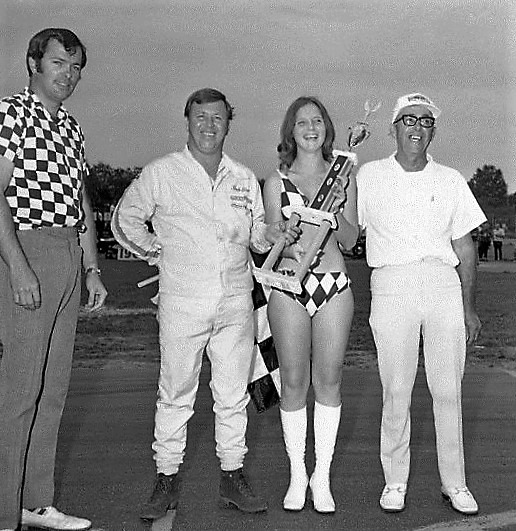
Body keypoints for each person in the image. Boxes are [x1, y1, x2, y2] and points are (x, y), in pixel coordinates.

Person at [111, 88, 296, 519]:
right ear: (187, 120)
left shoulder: (244, 177)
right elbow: (125, 219)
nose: (209, 125)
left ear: (228, 122)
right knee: (175, 393)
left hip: (235, 302)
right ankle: (166, 478)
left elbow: (255, 236)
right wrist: (159, 252)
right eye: (200, 117)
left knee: (232, 396)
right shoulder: (162, 172)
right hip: (182, 302)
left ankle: (233, 476)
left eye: (217, 118)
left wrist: (274, 234)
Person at [356, 93, 486, 515]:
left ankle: (456, 482)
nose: (417, 127)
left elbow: (465, 247)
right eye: (408, 119)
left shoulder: (450, 180)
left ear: (433, 131)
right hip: (391, 283)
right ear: (394, 128)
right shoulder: (369, 176)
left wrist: (468, 307)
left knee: (447, 390)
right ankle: (395, 480)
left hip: (442, 284)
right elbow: (343, 230)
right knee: (396, 390)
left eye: (426, 120)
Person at [0, 28, 107, 531]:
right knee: (19, 391)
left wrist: (91, 266)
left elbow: (81, 201)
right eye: (61, 63)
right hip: (28, 249)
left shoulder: (72, 127)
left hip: (67, 249)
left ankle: (36, 501)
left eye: (77, 66)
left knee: (53, 389)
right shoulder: (10, 113)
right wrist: (18, 266)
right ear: (33, 63)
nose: (70, 74)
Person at [262, 96, 359, 513]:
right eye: (301, 122)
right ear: (291, 130)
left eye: (317, 120)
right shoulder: (275, 181)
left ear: (326, 128)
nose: (310, 127)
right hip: (289, 287)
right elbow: (271, 238)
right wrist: (279, 232)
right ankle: (297, 474)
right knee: (294, 381)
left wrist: (335, 221)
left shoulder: (344, 178)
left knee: (330, 379)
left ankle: (322, 475)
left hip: (333, 284)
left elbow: (353, 240)